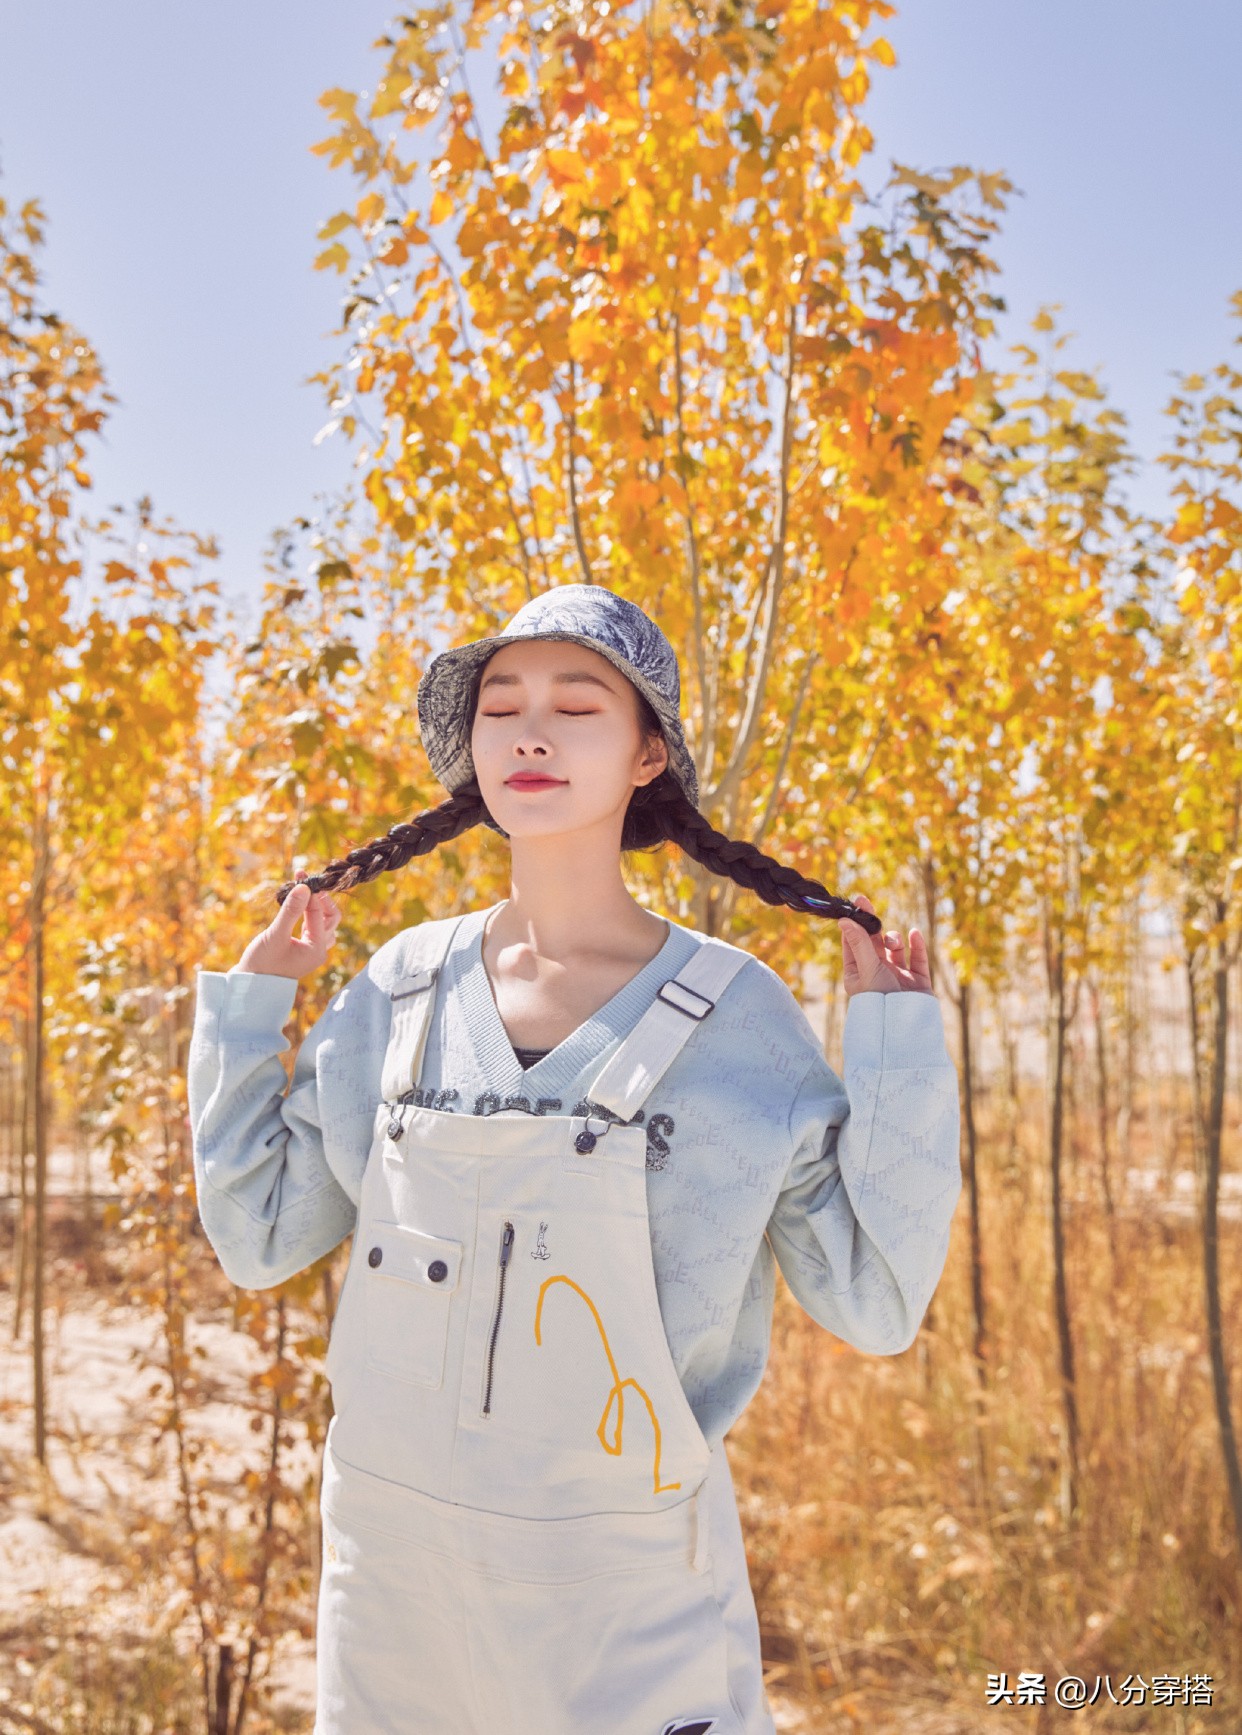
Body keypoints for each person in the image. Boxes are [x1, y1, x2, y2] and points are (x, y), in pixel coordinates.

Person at [187, 581, 962, 1735]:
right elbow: (257, 1241)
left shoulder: (736, 1016)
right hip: (398, 1591)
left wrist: (897, 1046)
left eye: (577, 703)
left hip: (629, 1602)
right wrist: (253, 1009)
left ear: (649, 753)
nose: (530, 731)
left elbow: (877, 1303)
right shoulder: (398, 989)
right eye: (500, 707)